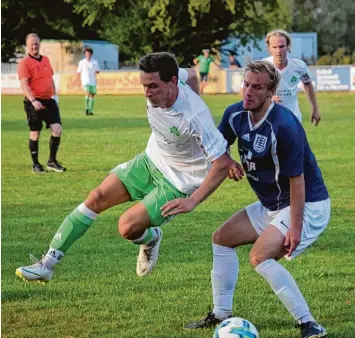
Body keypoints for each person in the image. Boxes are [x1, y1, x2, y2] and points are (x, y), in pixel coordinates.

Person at [16, 52, 243, 282]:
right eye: (144, 85)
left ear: (172, 81)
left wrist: (193, 201)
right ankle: (47, 264)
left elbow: (221, 165)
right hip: (151, 159)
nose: (147, 92)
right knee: (96, 197)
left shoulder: (194, 115)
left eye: (153, 86)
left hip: (179, 181)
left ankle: (151, 238)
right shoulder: (178, 79)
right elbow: (193, 75)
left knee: (126, 227)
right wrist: (193, 92)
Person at [184, 61, 330, 338]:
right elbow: (216, 150)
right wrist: (227, 162)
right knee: (221, 238)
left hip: (307, 205)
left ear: (271, 91)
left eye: (257, 87)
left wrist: (296, 228)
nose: (248, 92)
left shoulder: (284, 125)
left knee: (260, 256)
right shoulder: (235, 114)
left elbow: (297, 183)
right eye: (246, 84)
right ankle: (220, 313)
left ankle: (308, 324)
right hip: (273, 205)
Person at [18, 33, 66, 173]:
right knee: (35, 133)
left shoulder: (46, 60)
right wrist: (33, 100)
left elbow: (50, 79)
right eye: (32, 44)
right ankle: (36, 165)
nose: (34, 46)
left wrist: (54, 94)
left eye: (36, 44)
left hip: (48, 100)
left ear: (40, 44)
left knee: (57, 129)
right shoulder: (24, 63)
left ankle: (52, 161)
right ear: (27, 46)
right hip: (34, 102)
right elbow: (24, 84)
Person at [265, 29, 321, 124]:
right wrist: (267, 99)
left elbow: (307, 84)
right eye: (274, 47)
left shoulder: (299, 66)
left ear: (288, 46)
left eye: (282, 46)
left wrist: (315, 108)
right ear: (269, 48)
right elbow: (245, 90)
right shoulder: (262, 66)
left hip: (293, 118)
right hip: (268, 118)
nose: (278, 51)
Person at [77, 46, 100, 115]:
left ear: (91, 54)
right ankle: (86, 109)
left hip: (92, 81)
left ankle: (90, 110)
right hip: (85, 80)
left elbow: (98, 70)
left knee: (92, 95)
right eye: (86, 53)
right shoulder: (82, 62)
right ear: (85, 54)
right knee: (88, 93)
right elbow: (78, 72)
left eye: (89, 53)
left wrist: (96, 72)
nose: (88, 54)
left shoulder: (95, 62)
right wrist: (78, 81)